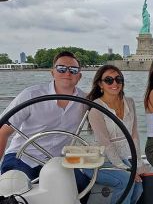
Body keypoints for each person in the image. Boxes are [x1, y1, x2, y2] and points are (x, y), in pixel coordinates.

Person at [0, 51, 90, 203]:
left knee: (83, 187)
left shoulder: (86, 102)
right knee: (15, 188)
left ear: (79, 76)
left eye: (73, 70)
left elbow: (104, 122)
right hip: (21, 157)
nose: (67, 73)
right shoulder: (30, 95)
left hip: (57, 161)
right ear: (53, 72)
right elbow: (3, 132)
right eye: (61, 68)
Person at [84, 65, 143, 204]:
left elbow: (134, 135)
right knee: (126, 181)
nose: (115, 83)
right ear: (100, 84)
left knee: (139, 187)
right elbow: (106, 143)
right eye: (109, 80)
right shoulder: (96, 108)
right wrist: (126, 169)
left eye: (118, 79)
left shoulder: (129, 102)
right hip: (98, 162)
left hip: (121, 159)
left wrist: (138, 164)